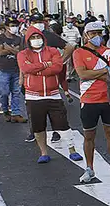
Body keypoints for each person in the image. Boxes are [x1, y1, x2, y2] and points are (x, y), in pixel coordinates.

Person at [73, 21, 110, 184]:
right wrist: (103, 71)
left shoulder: (109, 52)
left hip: (108, 99)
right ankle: (89, 168)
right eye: (93, 33)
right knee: (89, 135)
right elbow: (82, 74)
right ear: (86, 35)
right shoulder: (79, 53)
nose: (97, 36)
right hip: (88, 99)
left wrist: (95, 73)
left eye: (99, 33)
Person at [18, 26, 82, 164]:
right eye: (33, 38)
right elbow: (25, 68)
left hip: (53, 95)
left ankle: (72, 150)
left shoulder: (53, 51)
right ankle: (44, 152)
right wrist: (46, 65)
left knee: (63, 124)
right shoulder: (23, 54)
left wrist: (37, 69)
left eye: (38, 37)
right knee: (38, 126)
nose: (36, 40)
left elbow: (57, 68)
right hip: (33, 96)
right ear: (28, 40)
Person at [0, 19, 27, 123]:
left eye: (16, 26)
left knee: (16, 92)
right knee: (4, 92)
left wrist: (8, 48)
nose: (15, 28)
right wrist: (14, 49)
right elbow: (0, 52)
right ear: (7, 27)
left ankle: (16, 113)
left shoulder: (19, 39)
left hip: (16, 69)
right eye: (12, 25)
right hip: (3, 69)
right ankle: (5, 110)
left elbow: (21, 53)